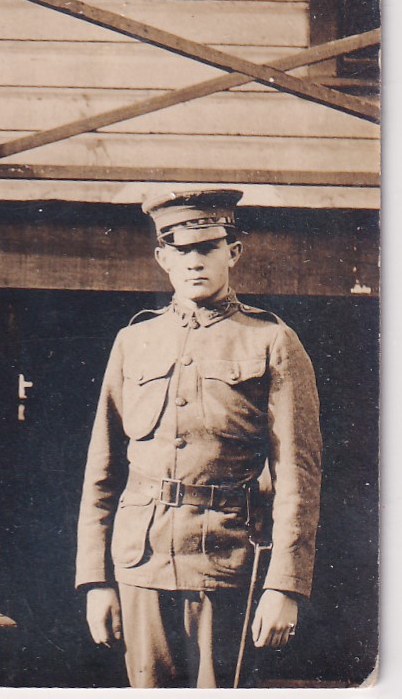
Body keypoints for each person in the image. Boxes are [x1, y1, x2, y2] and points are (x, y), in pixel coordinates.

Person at [75, 189, 323, 688]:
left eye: (208, 248)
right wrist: (94, 579)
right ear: (162, 258)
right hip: (140, 563)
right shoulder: (133, 341)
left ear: (233, 252)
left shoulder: (270, 340)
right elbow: (102, 469)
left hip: (226, 563)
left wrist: (285, 585)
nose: (194, 262)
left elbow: (298, 476)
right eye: (180, 250)